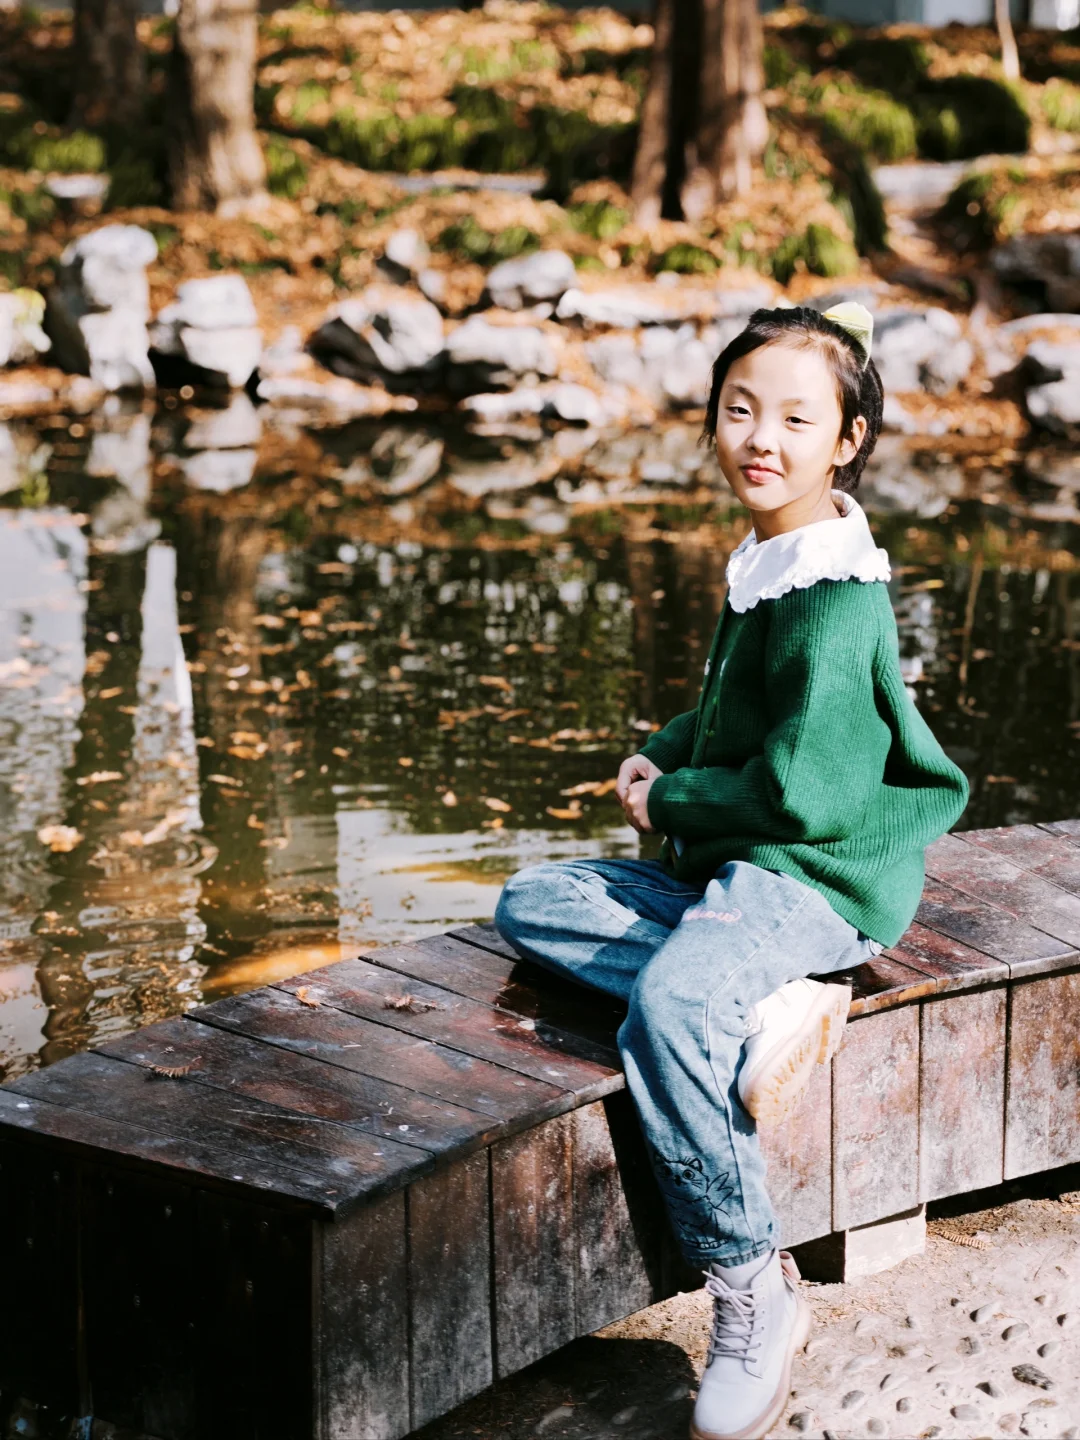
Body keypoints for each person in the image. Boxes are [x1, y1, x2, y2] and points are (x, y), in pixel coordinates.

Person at [494, 301, 969, 1440]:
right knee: (533, 901)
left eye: (797, 418)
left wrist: (678, 800)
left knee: (665, 1011)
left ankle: (754, 1283)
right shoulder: (773, 554)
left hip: (813, 877)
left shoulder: (832, 594)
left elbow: (806, 791)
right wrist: (667, 746)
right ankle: (764, 1006)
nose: (762, 435)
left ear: (846, 440)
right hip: (747, 869)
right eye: (742, 409)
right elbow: (737, 715)